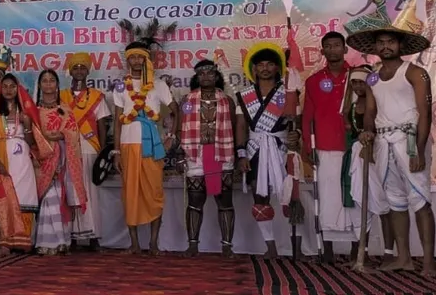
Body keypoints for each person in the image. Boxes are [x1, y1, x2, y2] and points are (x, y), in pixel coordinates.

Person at [352, 20, 436, 275]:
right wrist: (368, 134)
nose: (385, 46)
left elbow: (425, 113)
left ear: (400, 45)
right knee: (395, 201)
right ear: (375, 47)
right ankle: (404, 257)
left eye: (390, 42)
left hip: (409, 139)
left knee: (420, 200)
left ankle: (430, 262)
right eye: (381, 42)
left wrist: (419, 149)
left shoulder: (415, 72)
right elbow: (370, 111)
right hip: (383, 143)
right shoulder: (374, 77)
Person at [111, 38, 177, 255]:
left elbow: (176, 110)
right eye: (133, 57)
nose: (137, 61)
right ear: (128, 60)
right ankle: (134, 244)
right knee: (130, 193)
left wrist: (171, 136)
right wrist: (117, 151)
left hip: (153, 147)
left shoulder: (158, 85)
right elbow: (117, 119)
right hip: (128, 146)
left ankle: (154, 244)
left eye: (141, 56)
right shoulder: (121, 86)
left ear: (147, 59)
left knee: (154, 192)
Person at [301, 31, 360, 262]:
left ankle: (358, 250)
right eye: (328, 46)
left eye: (337, 45)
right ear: (322, 51)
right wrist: (309, 146)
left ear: (345, 49)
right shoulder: (313, 81)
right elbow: (307, 118)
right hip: (324, 148)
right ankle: (327, 250)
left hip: (353, 147)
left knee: (355, 195)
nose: (333, 49)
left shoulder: (359, 76)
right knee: (327, 198)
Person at [235, 45, 298, 260]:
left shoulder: (288, 92)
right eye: (260, 65)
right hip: (255, 149)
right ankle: (270, 246)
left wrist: (295, 137)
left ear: (277, 68)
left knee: (290, 195)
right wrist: (242, 154)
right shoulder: (244, 96)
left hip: (282, 149)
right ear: (253, 69)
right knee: (259, 195)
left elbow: (295, 121)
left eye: (270, 64)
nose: (265, 68)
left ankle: (295, 246)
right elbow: (241, 126)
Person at [0, 73, 44, 254]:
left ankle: (23, 241)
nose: (8, 90)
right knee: (4, 199)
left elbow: (32, 142)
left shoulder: (25, 112)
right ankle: (4, 243)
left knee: (23, 197)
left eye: (11, 86)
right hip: (0, 157)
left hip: (23, 160)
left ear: (18, 89)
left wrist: (27, 124)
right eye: (4, 86)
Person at [180, 60, 237, 257]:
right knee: (195, 201)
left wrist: (239, 154)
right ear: (197, 77)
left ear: (216, 76)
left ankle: (227, 246)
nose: (206, 77)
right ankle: (193, 245)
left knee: (225, 201)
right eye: (201, 74)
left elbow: (235, 127)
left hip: (222, 153)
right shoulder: (187, 100)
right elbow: (181, 126)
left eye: (210, 73)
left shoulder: (227, 100)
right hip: (196, 154)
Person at [61, 52, 111, 249]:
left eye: (83, 67)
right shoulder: (61, 96)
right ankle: (71, 236)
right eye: (76, 67)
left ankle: (93, 236)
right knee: (71, 191)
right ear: (70, 71)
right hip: (68, 148)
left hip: (90, 148)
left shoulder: (97, 97)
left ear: (88, 71)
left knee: (90, 192)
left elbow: (102, 126)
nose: (79, 70)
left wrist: (103, 152)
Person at [34, 69, 87, 255]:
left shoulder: (65, 109)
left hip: (62, 159)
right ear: (39, 85)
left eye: (51, 81)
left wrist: (62, 135)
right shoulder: (34, 110)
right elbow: (32, 136)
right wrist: (46, 140)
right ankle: (44, 241)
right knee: (47, 199)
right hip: (42, 160)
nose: (48, 84)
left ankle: (61, 241)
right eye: (45, 81)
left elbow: (73, 133)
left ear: (57, 85)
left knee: (58, 199)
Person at [343, 66, 380, 263]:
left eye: (361, 81)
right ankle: (358, 247)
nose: (357, 86)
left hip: (371, 155)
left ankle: (367, 249)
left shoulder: (376, 103)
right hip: (355, 155)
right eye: (354, 82)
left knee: (371, 199)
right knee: (356, 200)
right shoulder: (353, 105)